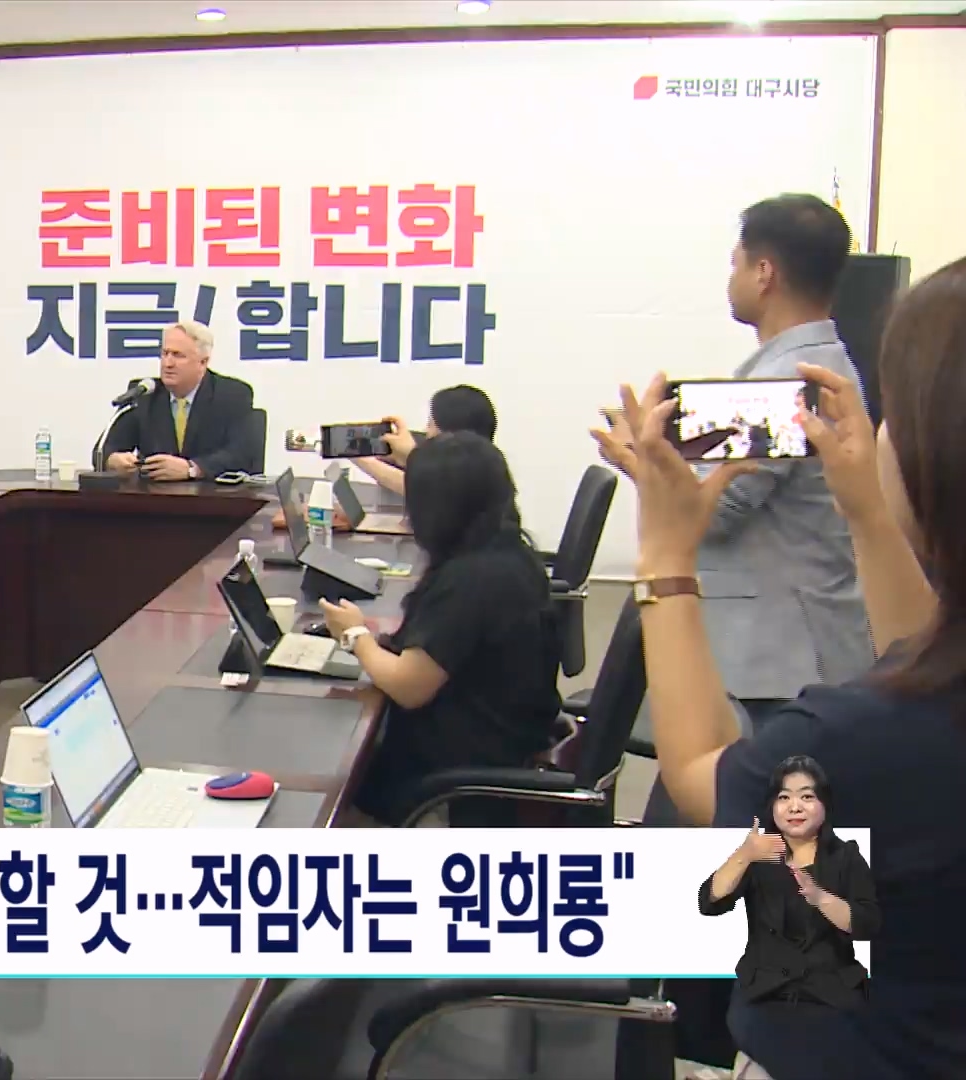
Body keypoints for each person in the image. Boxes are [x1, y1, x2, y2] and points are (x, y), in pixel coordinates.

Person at [590, 255, 966, 1079]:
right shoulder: (922, 712)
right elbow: (920, 654)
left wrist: (664, 554)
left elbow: (699, 773)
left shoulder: (856, 742)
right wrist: (864, 504)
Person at [606, 196, 871, 803]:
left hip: (777, 659)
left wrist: (647, 463)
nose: (731, 278)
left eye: (736, 263)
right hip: (777, 648)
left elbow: (718, 511)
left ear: (764, 272)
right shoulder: (804, 365)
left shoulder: (788, 378)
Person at [317, 432, 561, 827]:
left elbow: (409, 686)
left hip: (454, 778)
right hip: (500, 742)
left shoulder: (469, 581)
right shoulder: (512, 553)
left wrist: (355, 636)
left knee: (327, 767)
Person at [701, 756, 877, 1078]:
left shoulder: (846, 857)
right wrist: (744, 855)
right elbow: (710, 901)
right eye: (784, 797)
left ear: (824, 804)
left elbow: (866, 924)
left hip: (830, 997)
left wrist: (821, 898)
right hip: (765, 995)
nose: (795, 806)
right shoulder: (760, 855)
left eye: (806, 796)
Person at [104, 321, 257, 481]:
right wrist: (113, 460)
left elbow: (242, 454)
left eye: (178, 355)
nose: (168, 363)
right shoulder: (145, 393)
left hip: (211, 493)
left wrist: (192, 469)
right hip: (154, 493)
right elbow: (103, 450)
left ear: (203, 362)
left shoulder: (232, 394)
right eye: (165, 353)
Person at [351, 383, 497, 497]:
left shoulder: (464, 486)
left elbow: (420, 487)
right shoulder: (489, 467)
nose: (426, 431)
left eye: (431, 424)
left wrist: (357, 454)